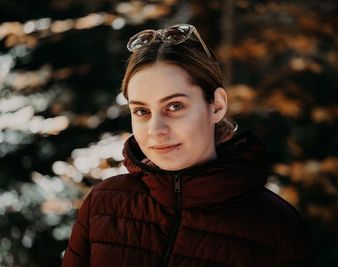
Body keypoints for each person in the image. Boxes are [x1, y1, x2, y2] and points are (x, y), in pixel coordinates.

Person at [61, 24, 314, 267]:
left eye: (175, 106)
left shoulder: (277, 226)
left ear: (216, 106)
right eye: (141, 111)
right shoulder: (103, 204)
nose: (156, 129)